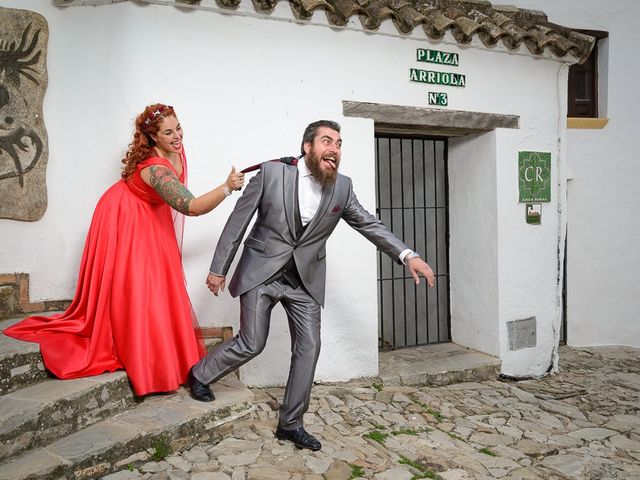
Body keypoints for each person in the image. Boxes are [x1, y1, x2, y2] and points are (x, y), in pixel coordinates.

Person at [187, 120, 435, 451]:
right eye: (327, 141)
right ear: (308, 146)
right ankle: (199, 375)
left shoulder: (342, 188)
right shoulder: (272, 174)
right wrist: (219, 268)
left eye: (339, 143)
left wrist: (407, 256)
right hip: (261, 272)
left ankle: (290, 424)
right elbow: (238, 222)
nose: (334, 149)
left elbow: (369, 224)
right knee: (252, 343)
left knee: (309, 347)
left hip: (304, 281)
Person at [3, 104, 244, 397]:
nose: (177, 136)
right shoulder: (156, 170)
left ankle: (160, 352)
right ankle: (142, 355)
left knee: (158, 284)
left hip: (149, 216)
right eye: (168, 132)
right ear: (153, 138)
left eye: (178, 127)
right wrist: (227, 187)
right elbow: (191, 207)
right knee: (138, 285)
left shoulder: (176, 151)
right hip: (124, 216)